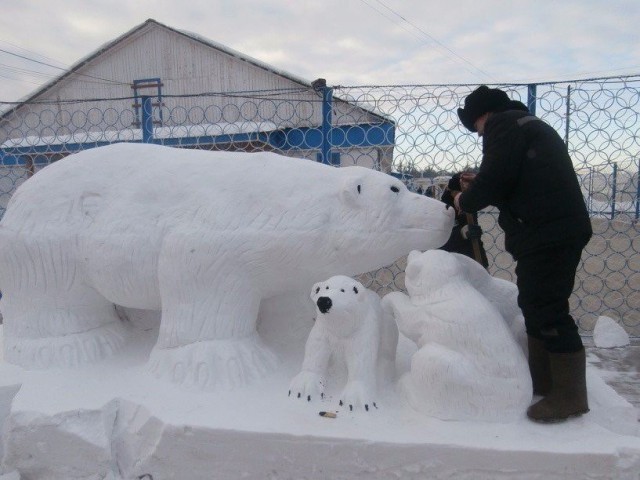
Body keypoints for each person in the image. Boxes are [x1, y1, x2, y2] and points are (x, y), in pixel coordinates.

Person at [452, 85, 593, 423]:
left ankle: (571, 396)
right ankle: (544, 382)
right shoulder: (524, 125)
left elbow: (496, 178)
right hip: (552, 230)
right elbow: (514, 178)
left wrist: (463, 200)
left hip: (549, 232)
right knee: (535, 302)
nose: (478, 133)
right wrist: (484, 179)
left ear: (482, 116)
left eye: (476, 127)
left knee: (547, 307)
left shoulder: (503, 125)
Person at [440, 173, 489, 269]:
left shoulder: (469, 204)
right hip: (452, 264)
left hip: (476, 259)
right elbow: (437, 241)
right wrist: (461, 233)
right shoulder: (444, 208)